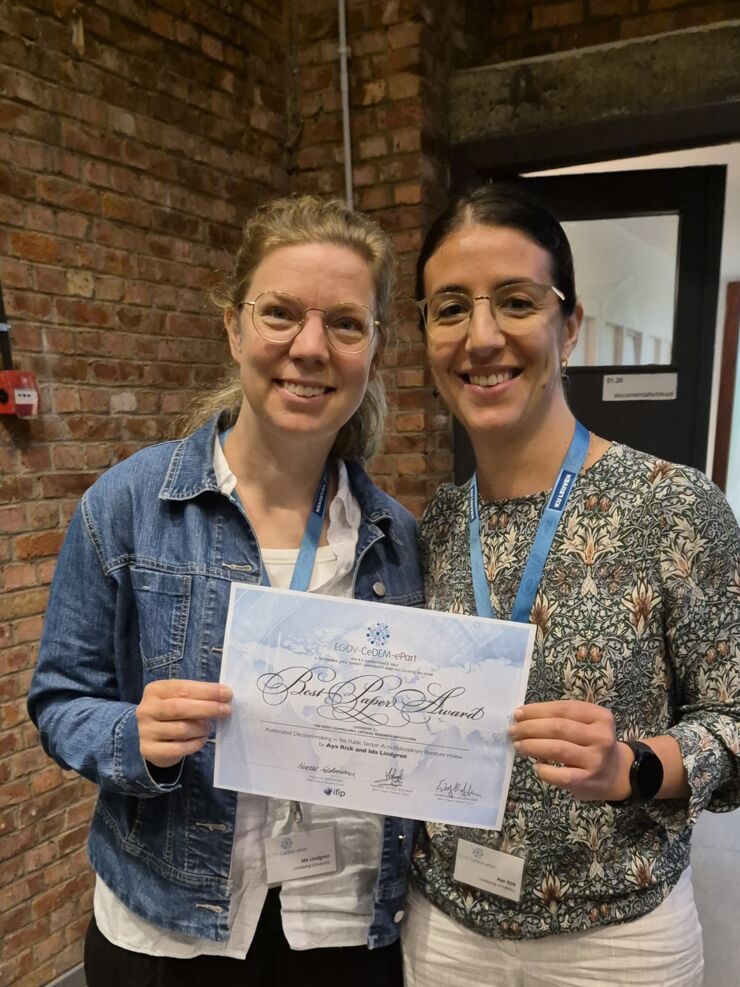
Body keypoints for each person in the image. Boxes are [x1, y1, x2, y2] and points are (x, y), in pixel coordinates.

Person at [28, 195, 423, 986]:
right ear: (234, 327)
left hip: (345, 929)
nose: (309, 347)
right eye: (280, 312)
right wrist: (132, 734)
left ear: (374, 352)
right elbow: (61, 697)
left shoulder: (397, 538)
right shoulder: (130, 505)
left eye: (345, 323)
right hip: (171, 935)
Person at [402, 183, 740, 987]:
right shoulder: (433, 526)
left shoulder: (673, 504)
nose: (482, 336)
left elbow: (735, 717)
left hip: (618, 940)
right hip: (446, 927)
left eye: (516, 301)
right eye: (450, 308)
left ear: (571, 324)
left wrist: (635, 765)